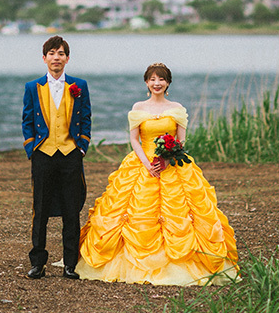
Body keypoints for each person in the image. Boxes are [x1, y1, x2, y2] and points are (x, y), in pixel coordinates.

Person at [77, 62, 238, 286]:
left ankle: (182, 264)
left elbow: (181, 139)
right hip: (143, 163)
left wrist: (167, 158)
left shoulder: (176, 108)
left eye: (161, 79)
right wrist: (146, 163)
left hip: (171, 163)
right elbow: (134, 139)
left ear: (168, 83)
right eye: (152, 79)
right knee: (133, 211)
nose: (157, 83)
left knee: (185, 212)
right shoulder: (138, 107)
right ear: (146, 82)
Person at [22, 35, 92, 280]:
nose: (56, 58)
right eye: (52, 53)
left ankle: (70, 264)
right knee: (40, 209)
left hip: (70, 154)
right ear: (44, 58)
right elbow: (27, 120)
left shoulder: (79, 86)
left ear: (67, 58)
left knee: (71, 210)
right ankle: (37, 262)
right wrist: (32, 148)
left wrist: (82, 146)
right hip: (43, 154)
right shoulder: (33, 87)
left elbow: (86, 118)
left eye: (61, 53)